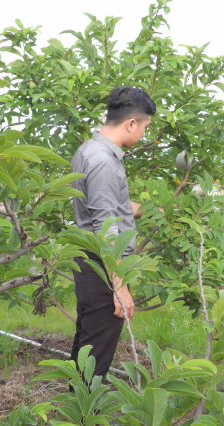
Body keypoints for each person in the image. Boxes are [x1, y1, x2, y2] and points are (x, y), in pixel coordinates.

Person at [69, 86, 156, 380]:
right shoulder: (104, 161)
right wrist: (119, 286)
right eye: (145, 127)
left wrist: (158, 209)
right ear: (131, 123)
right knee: (96, 354)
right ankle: (84, 422)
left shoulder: (90, 150)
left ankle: (78, 413)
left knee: (87, 345)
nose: (144, 133)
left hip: (91, 262)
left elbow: (112, 205)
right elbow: (106, 228)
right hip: (102, 265)